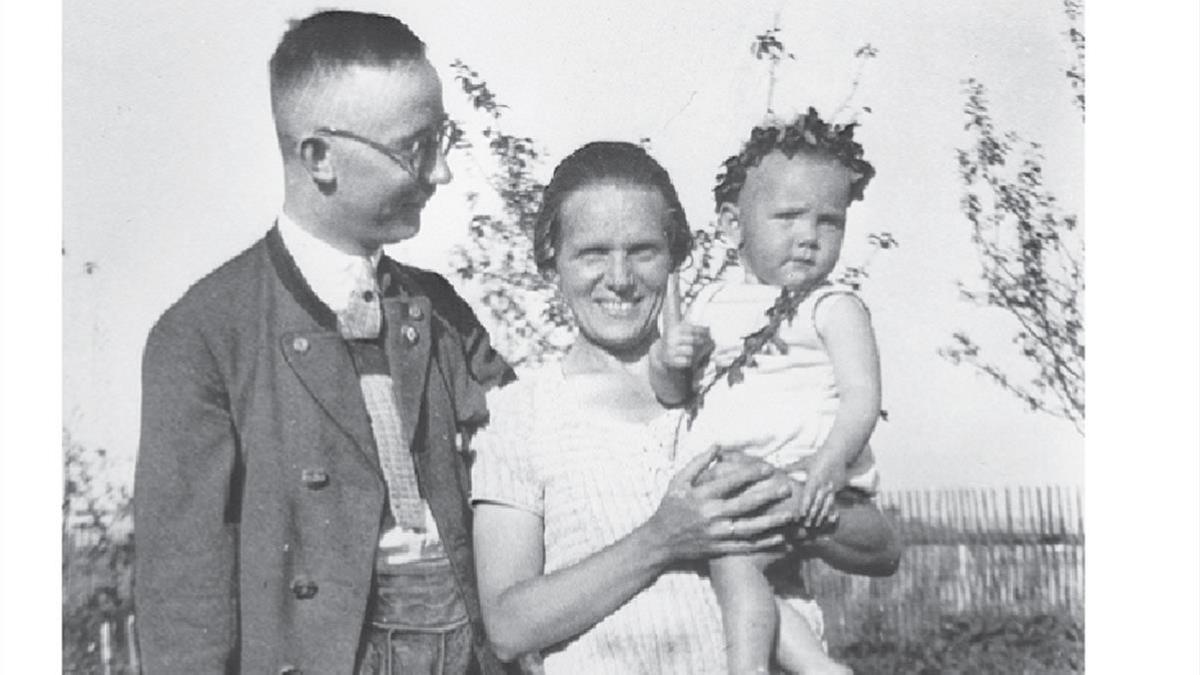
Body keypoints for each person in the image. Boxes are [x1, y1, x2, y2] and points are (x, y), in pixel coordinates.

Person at [133, 11, 515, 674]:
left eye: (443, 139)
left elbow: (531, 446)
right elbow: (184, 609)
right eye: (417, 147)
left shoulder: (443, 310)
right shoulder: (201, 335)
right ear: (320, 157)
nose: (444, 171)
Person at [470, 141, 900, 674]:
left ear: (676, 257)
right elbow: (509, 629)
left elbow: (881, 549)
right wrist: (661, 540)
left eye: (644, 251)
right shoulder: (522, 414)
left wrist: (786, 496)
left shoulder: (737, 376)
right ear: (551, 260)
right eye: (593, 254)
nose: (621, 278)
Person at [650, 109, 882, 674]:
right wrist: (666, 359)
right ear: (733, 225)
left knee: (734, 563)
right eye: (788, 217)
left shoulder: (834, 307)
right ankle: (820, 669)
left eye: (829, 221)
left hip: (805, 474)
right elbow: (674, 393)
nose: (808, 236)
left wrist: (828, 466)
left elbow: (860, 397)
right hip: (735, 479)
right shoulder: (708, 303)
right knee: (746, 573)